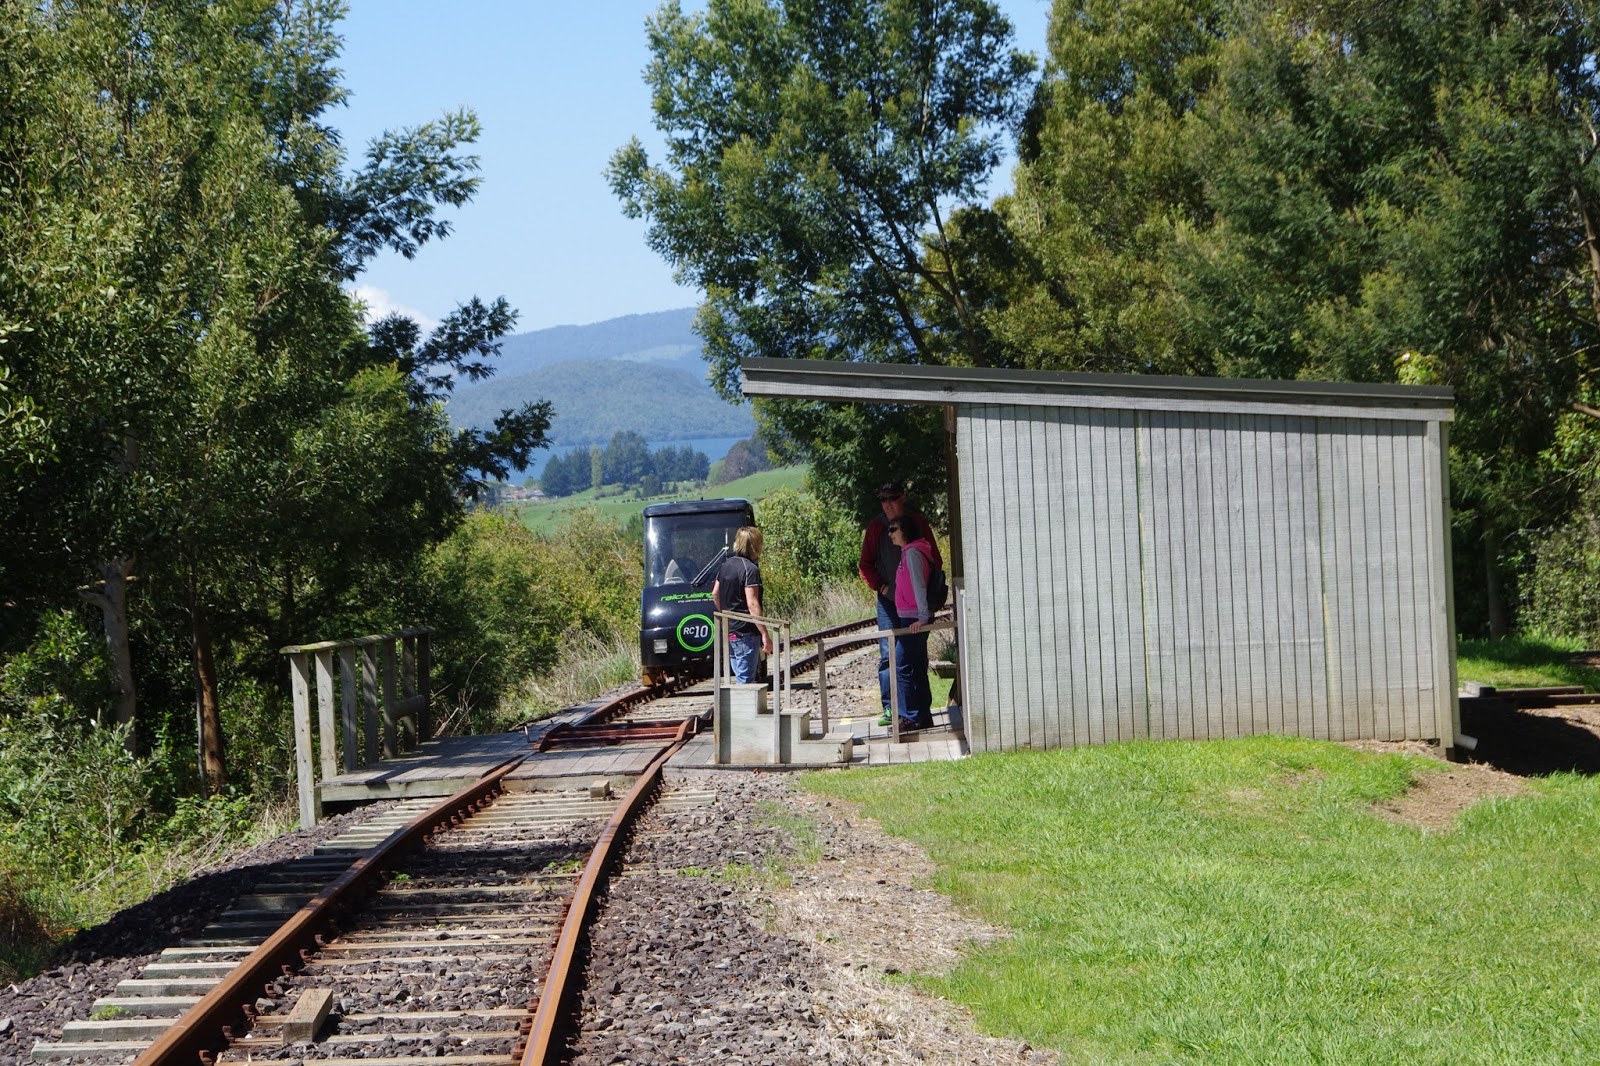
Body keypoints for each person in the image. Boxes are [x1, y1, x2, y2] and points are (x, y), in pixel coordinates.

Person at [858, 481, 941, 726]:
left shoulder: (918, 524)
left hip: (915, 605)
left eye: (892, 498)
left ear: (902, 498)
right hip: (888, 602)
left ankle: (917, 712)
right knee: (888, 655)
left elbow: (935, 560)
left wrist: (926, 602)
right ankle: (891, 710)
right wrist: (882, 587)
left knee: (914, 657)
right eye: (883, 500)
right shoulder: (875, 527)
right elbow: (865, 565)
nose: (887, 504)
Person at [888, 517, 936, 731]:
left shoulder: (912, 553)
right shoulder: (909, 552)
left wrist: (923, 617)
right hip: (912, 616)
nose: (890, 533)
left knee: (902, 666)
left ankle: (910, 716)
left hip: (914, 618)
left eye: (894, 529)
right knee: (916, 666)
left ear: (905, 530)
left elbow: (918, 584)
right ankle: (922, 716)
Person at [712, 526, 770, 684]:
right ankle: (740, 709)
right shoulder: (750, 569)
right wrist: (764, 633)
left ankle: (735, 707)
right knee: (745, 680)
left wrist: (727, 615)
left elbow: (715, 594)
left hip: (730, 630)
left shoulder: (725, 566)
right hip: (746, 632)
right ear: (755, 545)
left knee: (739, 675)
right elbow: (752, 604)